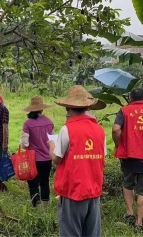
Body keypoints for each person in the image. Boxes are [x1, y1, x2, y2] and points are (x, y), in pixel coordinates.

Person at [48, 85, 106, 237]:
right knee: (92, 233)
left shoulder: (67, 129)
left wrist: (51, 146)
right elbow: (101, 155)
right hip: (93, 191)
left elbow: (57, 159)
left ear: (67, 108)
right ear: (87, 107)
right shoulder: (100, 130)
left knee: (71, 232)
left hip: (72, 191)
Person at [112, 88, 143, 231]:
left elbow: (115, 129)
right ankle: (139, 223)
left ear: (131, 98)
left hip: (129, 155)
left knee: (128, 183)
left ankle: (130, 213)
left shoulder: (124, 110)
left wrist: (119, 145)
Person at [20, 96, 54, 208]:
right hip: (48, 158)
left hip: (33, 159)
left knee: (33, 183)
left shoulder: (28, 124)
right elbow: (52, 140)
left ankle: (36, 205)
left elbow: (24, 144)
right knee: (45, 182)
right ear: (42, 109)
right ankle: (45, 205)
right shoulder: (49, 122)